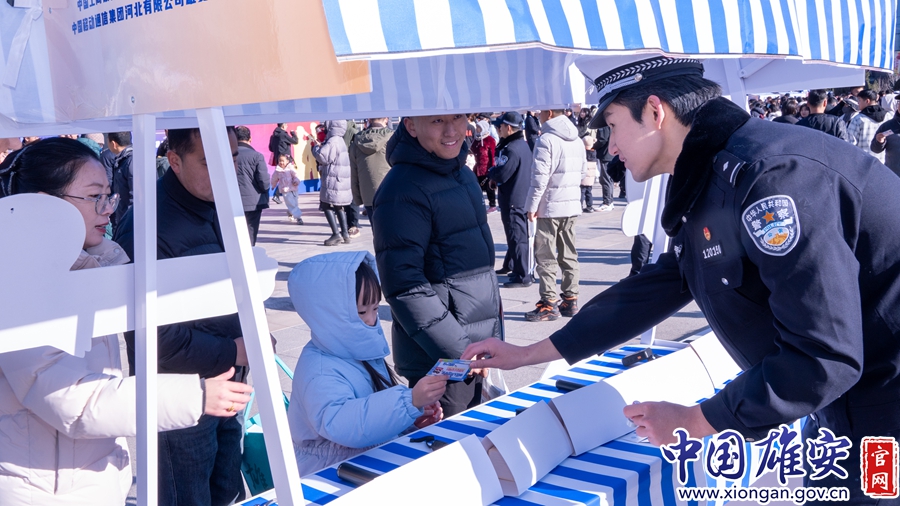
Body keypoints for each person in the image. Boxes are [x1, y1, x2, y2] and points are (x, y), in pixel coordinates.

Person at [464, 56, 900, 505]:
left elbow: (822, 356)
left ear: (656, 112)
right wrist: (532, 352)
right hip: (854, 401)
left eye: (612, 125)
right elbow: (667, 282)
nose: (609, 147)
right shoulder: (712, 174)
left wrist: (697, 421)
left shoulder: (771, 179)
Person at [0, 137, 252, 506]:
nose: (107, 210)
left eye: (109, 196)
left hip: (87, 476)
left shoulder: (89, 265)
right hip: (39, 489)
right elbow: (72, 400)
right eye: (94, 197)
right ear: (44, 205)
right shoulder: (17, 281)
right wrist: (194, 396)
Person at [114, 127, 253, 506]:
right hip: (183, 398)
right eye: (210, 162)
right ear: (174, 161)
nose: (227, 171)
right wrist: (235, 350)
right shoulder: (148, 225)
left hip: (229, 382)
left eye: (233, 158)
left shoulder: (218, 204)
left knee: (226, 490)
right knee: (188, 496)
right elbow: (151, 341)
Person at [372, 115, 501, 417]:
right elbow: (405, 286)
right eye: (437, 121)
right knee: (452, 447)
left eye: (457, 117)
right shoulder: (401, 190)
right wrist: (461, 353)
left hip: (477, 348)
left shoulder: (462, 173)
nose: (451, 130)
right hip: (442, 359)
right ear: (411, 126)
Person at [286, 252, 447, 476]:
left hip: (364, 460)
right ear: (328, 314)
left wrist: (410, 417)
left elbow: (371, 418)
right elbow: (341, 423)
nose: (371, 319)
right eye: (361, 312)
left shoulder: (357, 347)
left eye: (374, 308)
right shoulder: (319, 369)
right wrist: (407, 401)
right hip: (332, 474)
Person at [525, 109, 587, 322]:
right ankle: (571, 299)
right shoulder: (577, 139)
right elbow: (582, 173)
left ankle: (548, 303)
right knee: (569, 253)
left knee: (545, 255)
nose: (538, 115)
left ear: (549, 113)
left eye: (541, 112)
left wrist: (531, 205)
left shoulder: (547, 139)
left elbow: (540, 177)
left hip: (550, 206)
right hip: (570, 205)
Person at [489, 111, 534, 288]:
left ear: (508, 128)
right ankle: (511, 265)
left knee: (517, 237)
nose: (498, 130)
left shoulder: (513, 148)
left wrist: (491, 173)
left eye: (499, 127)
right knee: (513, 235)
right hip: (518, 196)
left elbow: (502, 173)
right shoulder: (519, 145)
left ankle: (523, 275)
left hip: (514, 198)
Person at [312, 120, 353, 246]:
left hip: (333, 179)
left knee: (326, 205)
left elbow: (323, 157)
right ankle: (345, 233)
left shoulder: (332, 141)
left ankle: (336, 234)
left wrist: (315, 148)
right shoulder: (339, 139)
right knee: (338, 205)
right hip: (340, 179)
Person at [349, 117, 392, 220]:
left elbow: (353, 173)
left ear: (369, 119)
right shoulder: (392, 137)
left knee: (377, 231)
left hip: (367, 193)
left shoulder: (357, 141)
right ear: (386, 119)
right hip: (391, 192)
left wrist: (358, 198)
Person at [234, 126, 270, 245]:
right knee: (250, 232)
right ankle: (249, 256)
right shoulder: (256, 156)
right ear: (250, 138)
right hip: (253, 202)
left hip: (232, 201)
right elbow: (264, 181)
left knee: (235, 233)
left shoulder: (228, 155)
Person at [847, 89, 889, 163]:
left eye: (859, 100)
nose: (858, 103)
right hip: (884, 162)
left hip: (863, 162)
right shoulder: (888, 116)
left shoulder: (858, 119)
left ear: (867, 101)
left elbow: (850, 144)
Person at [107, 131, 133, 231]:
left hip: (129, 222)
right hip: (125, 219)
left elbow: (136, 196)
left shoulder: (130, 160)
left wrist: (128, 221)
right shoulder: (125, 159)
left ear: (113, 143)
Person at [470, 118, 497, 212]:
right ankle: (479, 205)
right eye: (477, 127)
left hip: (487, 169)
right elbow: (472, 150)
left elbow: (493, 156)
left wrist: (492, 170)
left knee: (489, 188)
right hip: (477, 168)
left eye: (479, 127)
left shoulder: (490, 140)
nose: (477, 129)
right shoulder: (476, 140)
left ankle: (492, 205)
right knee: (478, 189)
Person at [272, 154, 304, 224]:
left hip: (294, 189)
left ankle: (290, 212)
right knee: (291, 204)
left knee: (295, 204)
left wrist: (296, 181)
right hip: (285, 191)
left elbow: (296, 176)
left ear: (287, 161)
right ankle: (298, 218)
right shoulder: (278, 171)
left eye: (283, 161)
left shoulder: (290, 169)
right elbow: (274, 179)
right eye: (279, 161)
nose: (281, 162)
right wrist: (273, 185)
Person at [592, 126, 615, 211]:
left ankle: (607, 202)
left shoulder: (604, 125)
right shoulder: (611, 124)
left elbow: (602, 139)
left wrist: (593, 146)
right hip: (610, 154)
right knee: (609, 179)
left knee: (605, 179)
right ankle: (610, 201)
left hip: (605, 154)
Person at [580, 135, 597, 213]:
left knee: (581, 192)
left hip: (583, 177)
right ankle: (589, 206)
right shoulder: (594, 153)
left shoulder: (582, 153)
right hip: (590, 178)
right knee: (589, 192)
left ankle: (579, 205)